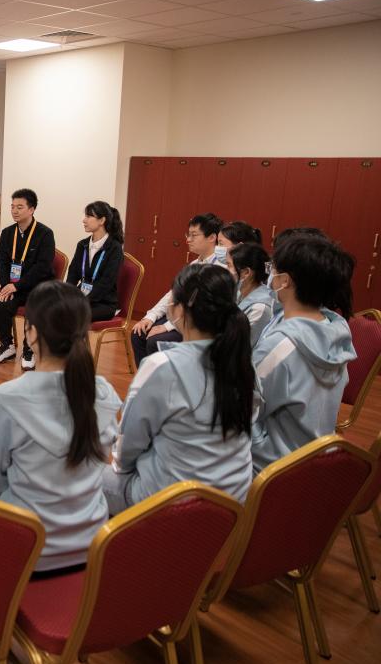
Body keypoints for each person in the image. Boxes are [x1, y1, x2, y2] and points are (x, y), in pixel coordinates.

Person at [0, 282, 121, 576]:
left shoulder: (8, 399)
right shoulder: (104, 393)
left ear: (31, 333)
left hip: (27, 553)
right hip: (91, 545)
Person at [103, 265, 256, 515]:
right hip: (232, 498)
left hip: (174, 504)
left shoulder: (162, 366)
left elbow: (128, 446)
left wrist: (123, 470)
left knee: (85, 477)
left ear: (179, 310)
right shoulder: (242, 362)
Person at [251, 235, 355, 472]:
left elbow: (244, 409)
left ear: (285, 280)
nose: (270, 275)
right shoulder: (336, 329)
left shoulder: (280, 347)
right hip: (316, 455)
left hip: (273, 467)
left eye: (272, 269)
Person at [130, 213, 224, 365]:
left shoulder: (220, 269)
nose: (188, 240)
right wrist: (150, 317)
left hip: (197, 323)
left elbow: (203, 309)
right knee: (138, 333)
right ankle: (146, 377)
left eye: (194, 235)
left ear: (212, 237)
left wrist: (166, 327)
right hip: (179, 316)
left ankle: (163, 378)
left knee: (155, 341)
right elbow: (172, 294)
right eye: (188, 235)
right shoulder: (195, 264)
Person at [0, 188, 55, 369]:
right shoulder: (7, 233)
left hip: (37, 287)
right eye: (12, 207)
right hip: (14, 286)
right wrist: (7, 285)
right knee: (2, 303)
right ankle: (7, 345)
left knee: (34, 307)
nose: (14, 211)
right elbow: (2, 262)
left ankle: (29, 349)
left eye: (19, 207)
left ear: (31, 209)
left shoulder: (45, 233)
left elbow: (42, 267)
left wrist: (17, 286)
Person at [65, 201, 124, 322]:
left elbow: (106, 283)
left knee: (70, 316)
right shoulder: (82, 245)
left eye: (88, 216)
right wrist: (67, 295)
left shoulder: (114, 248)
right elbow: (73, 274)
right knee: (54, 308)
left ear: (102, 220)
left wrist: (81, 301)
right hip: (82, 297)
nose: (84, 220)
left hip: (103, 303)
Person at [226, 243, 274, 346]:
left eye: (229, 265)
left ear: (246, 273)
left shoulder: (260, 308)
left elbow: (241, 346)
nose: (226, 270)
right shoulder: (239, 292)